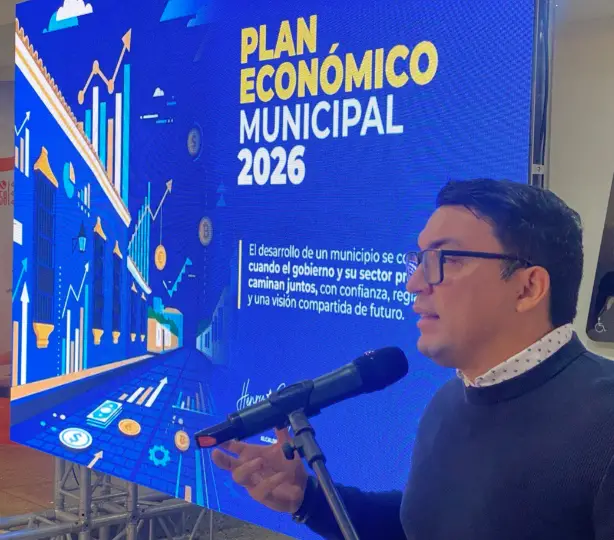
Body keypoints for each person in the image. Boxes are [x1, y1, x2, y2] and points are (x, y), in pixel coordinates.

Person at [212, 179, 614, 540]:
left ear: (528, 288)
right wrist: (309, 500)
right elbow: (421, 526)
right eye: (418, 260)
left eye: (447, 259)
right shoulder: (449, 402)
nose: (414, 283)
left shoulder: (604, 427)